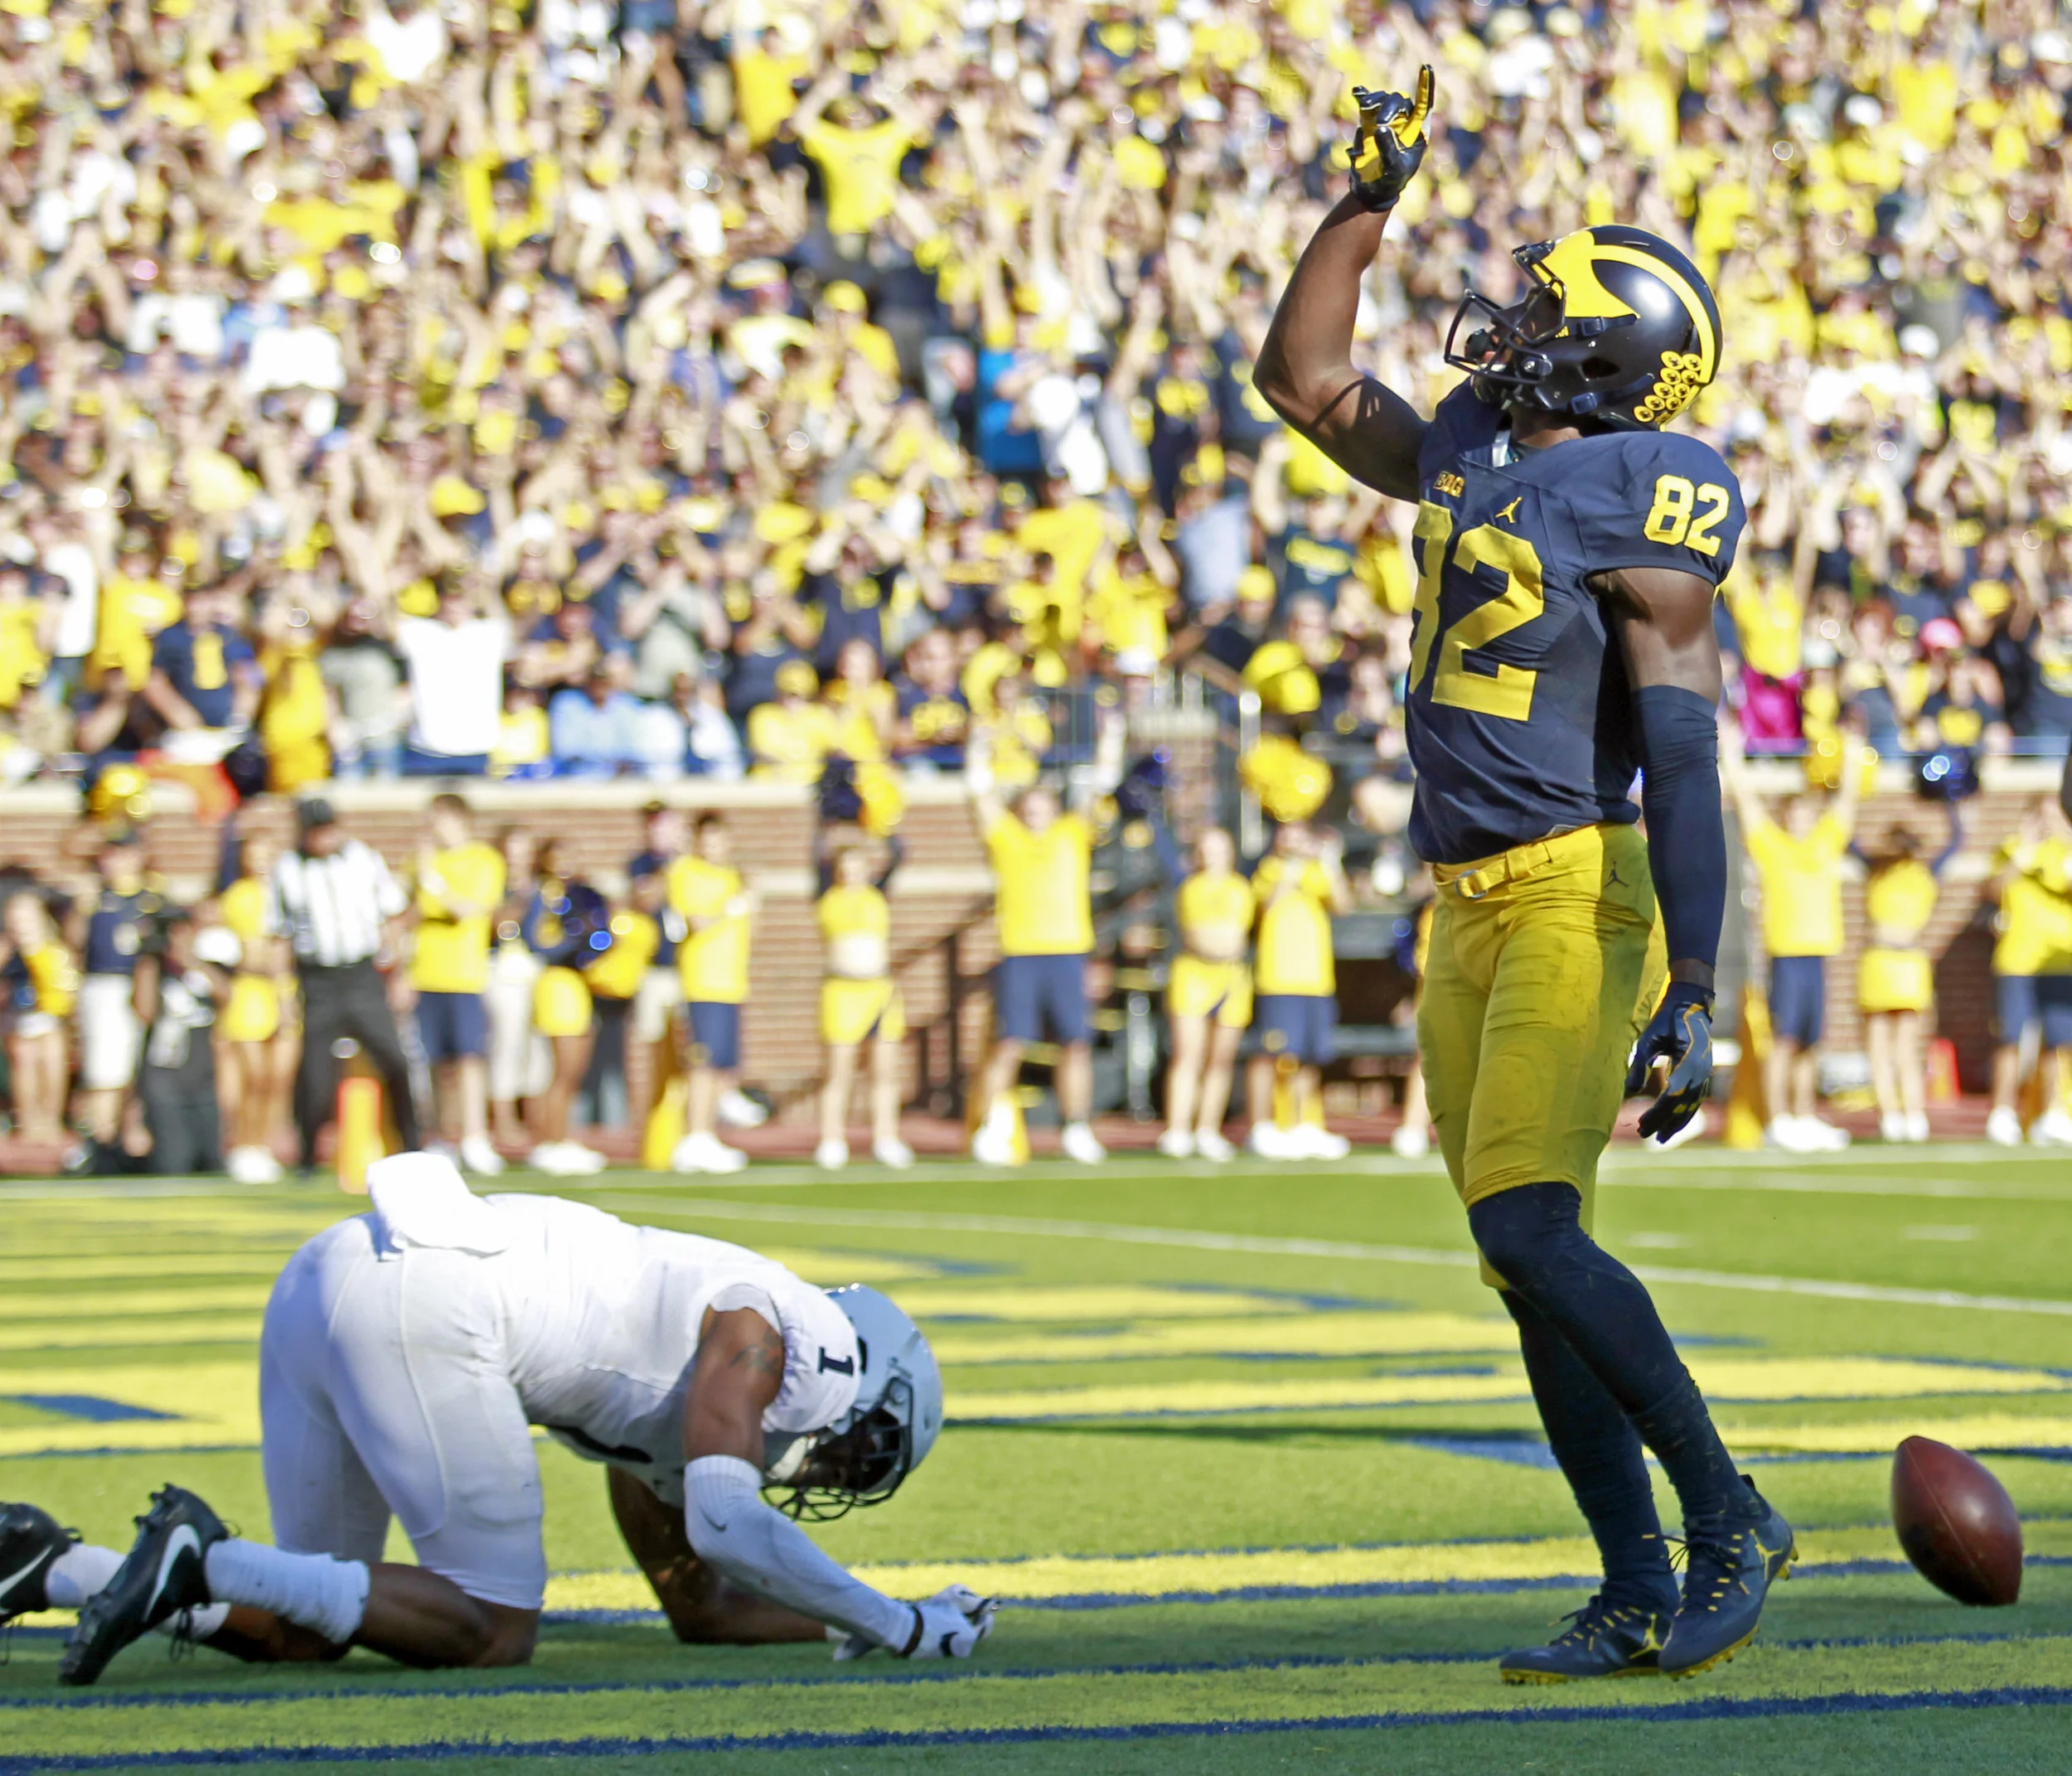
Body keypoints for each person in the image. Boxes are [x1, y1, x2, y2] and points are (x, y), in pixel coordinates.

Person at [1254, 74, 1789, 1682]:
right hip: (1462, 906)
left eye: (1550, 304)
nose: (1512, 314)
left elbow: (1686, 759)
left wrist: (1691, 986)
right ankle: (1627, 1585)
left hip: (1576, 882)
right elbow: (1303, 380)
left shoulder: (1650, 493)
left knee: (1532, 1227)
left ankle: (1724, 1518)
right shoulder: (1475, 444)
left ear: (1614, 355)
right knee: (1511, 1260)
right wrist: (1364, 202)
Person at [51, 1154, 994, 1683]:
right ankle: (205, 1557)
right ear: (853, 1370)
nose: (831, 1472)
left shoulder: (690, 1406)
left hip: (325, 1274)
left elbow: (703, 1607)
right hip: (429, 1298)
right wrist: (901, 1624)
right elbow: (726, 1521)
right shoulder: (779, 1335)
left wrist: (857, 1622)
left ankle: (59, 1566)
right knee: (495, 1629)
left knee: (311, 1623)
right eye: (860, 1448)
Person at [1721, 725, 1861, 1152]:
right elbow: (1745, 802)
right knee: (1782, 1040)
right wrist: (1732, 752)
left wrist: (1853, 755)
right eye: (1795, 814)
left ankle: (1803, 1116)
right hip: (1785, 955)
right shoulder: (1772, 846)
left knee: (1810, 1042)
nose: (1803, 820)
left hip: (1817, 954)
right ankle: (1777, 1118)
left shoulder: (1824, 843)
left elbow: (1847, 801)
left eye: (1807, 814)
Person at [265, 799, 421, 1174]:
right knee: (315, 1074)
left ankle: (413, 1145)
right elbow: (278, 934)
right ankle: (307, 1155)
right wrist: (283, 993)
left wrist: (399, 973)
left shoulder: (364, 860)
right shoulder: (287, 869)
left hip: (362, 974)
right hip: (318, 978)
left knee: (395, 1060)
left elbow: (394, 917)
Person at [966, 747, 1105, 1169]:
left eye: (1042, 808)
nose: (1035, 815)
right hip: (1021, 953)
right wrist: (977, 751)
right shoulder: (1008, 840)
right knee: (1009, 1043)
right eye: (1029, 808)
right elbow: (979, 797)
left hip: (1066, 952)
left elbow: (1100, 787)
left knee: (1076, 1043)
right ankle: (989, 1128)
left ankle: (1076, 1127)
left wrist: (1112, 736)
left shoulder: (1071, 835)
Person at [1245, 820, 1354, 1161]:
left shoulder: (1315, 871)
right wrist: (1290, 870)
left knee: (1310, 1056)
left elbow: (1344, 905)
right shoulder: (1268, 870)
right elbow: (1267, 905)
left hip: (1316, 978)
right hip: (1278, 977)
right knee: (1272, 1054)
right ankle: (1262, 1126)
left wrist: (1330, 864)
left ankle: (1303, 1124)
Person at [410, 794, 506, 1175]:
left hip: (464, 974)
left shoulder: (483, 860)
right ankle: (440, 1137)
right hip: (426, 972)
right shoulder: (420, 863)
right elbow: (413, 914)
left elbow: (466, 909)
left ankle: (475, 1136)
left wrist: (431, 879)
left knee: (469, 1058)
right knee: (435, 1061)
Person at [1857, 811, 1959, 1144]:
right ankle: (1889, 1114)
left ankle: (1914, 1113)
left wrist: (1949, 804)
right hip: (1879, 959)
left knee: (1907, 1046)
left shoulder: (1923, 873)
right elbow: (1847, 841)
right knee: (1878, 1045)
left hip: (1908, 961)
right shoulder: (1876, 870)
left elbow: (1956, 841)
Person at [813, 833, 914, 1172]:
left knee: (884, 1071)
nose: (852, 873)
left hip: (879, 991)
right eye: (846, 867)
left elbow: (899, 854)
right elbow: (815, 853)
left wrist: (884, 825)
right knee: (838, 1071)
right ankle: (832, 1139)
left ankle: (885, 1137)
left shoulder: (878, 896)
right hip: (842, 993)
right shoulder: (828, 897)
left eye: (859, 866)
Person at [668, 814, 755, 1174]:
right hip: (701, 980)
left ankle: (709, 1134)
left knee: (722, 1065)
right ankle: (694, 1136)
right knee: (702, 1063)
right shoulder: (686, 872)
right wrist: (730, 906)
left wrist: (750, 899)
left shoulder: (733, 877)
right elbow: (697, 922)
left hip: (732, 980)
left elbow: (751, 932)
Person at [1159, 827, 1252, 1161]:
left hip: (1231, 980)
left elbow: (1237, 936)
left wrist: (1227, 946)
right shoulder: (1191, 888)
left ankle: (1208, 1129)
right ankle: (1178, 1128)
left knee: (1221, 1059)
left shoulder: (1240, 888)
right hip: (1194, 977)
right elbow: (1201, 937)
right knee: (1188, 1055)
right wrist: (1224, 945)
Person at [68, 834, 162, 1161]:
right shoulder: (95, 899)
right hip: (104, 984)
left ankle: (128, 1136)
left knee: (136, 1065)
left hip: (142, 985)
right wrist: (81, 909)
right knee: (104, 1068)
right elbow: (75, 943)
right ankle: (101, 1137)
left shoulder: (152, 899)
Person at [1984, 799, 2072, 1147]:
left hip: (2059, 963)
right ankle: (2002, 1112)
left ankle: (2049, 1114)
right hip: (2017, 960)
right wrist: (2024, 852)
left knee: (2058, 1042)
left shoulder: (2064, 853)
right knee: (2010, 1038)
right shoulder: (2013, 850)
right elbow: (1993, 891)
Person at [521, 840, 612, 1177]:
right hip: (556, 984)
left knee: (573, 1071)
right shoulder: (545, 896)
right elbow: (536, 942)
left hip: (576, 984)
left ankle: (561, 1136)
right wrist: (575, 941)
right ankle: (549, 1141)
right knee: (562, 1069)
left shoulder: (578, 893)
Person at [217, 830, 297, 1183]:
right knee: (253, 1077)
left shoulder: (288, 894)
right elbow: (253, 954)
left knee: (277, 1079)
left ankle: (265, 1144)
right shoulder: (239, 896)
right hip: (250, 994)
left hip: (283, 991)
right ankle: (244, 1144)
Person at [133, 907, 231, 1175]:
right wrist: (151, 961)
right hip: (164, 1072)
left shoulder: (207, 965)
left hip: (201, 1071)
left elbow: (226, 996)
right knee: (173, 1159)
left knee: (212, 1158)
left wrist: (193, 962)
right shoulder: (152, 969)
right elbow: (144, 1012)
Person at [485, 826, 549, 1150]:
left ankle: (536, 1122)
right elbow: (496, 928)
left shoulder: (542, 889)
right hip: (502, 973)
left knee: (537, 1050)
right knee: (506, 1045)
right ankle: (504, 1122)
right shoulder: (494, 887)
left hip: (534, 973)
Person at [0, 890, 75, 1144]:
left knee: (52, 1061)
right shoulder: (6, 951)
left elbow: (65, 990)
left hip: (48, 1021)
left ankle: (51, 1122)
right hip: (16, 1022)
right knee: (24, 1062)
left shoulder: (54, 950)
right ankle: (28, 1124)